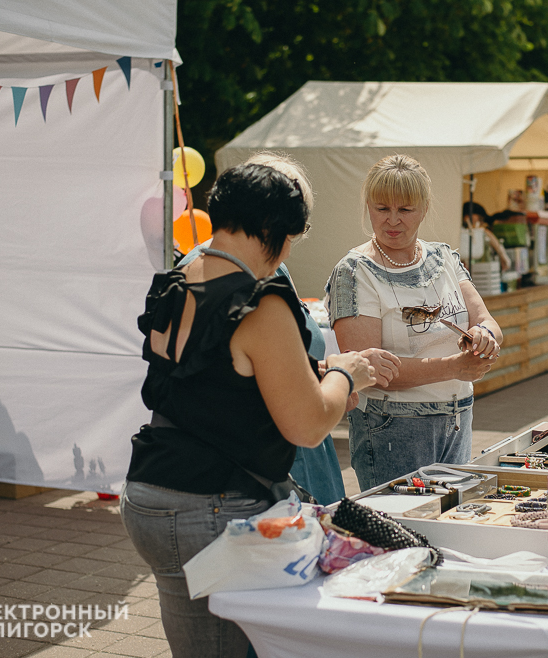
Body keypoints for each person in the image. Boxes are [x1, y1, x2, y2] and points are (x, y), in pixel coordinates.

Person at [120, 162, 381, 658]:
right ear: (277, 235)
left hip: (151, 492)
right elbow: (307, 425)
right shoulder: (259, 302)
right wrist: (346, 372)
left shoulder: (175, 281)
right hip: (210, 505)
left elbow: (210, 383)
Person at [175, 152, 400, 505]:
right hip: (258, 472)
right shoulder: (251, 289)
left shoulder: (212, 271)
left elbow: (245, 369)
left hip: (224, 471)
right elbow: (297, 419)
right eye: (292, 229)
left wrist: (325, 377)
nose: (289, 249)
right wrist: (342, 376)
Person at [326, 154, 502, 491]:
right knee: (404, 535)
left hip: (457, 419)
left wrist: (485, 337)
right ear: (367, 206)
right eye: (381, 208)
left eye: (405, 210)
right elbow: (370, 371)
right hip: (392, 427)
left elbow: (486, 320)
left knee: (449, 524)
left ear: (423, 208)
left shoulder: (444, 257)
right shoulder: (353, 271)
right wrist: (454, 367)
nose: (392, 220)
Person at [462, 201, 512, 271]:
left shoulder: (473, 233)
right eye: (479, 218)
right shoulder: (462, 231)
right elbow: (485, 231)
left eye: (481, 220)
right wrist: (503, 255)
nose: (480, 223)